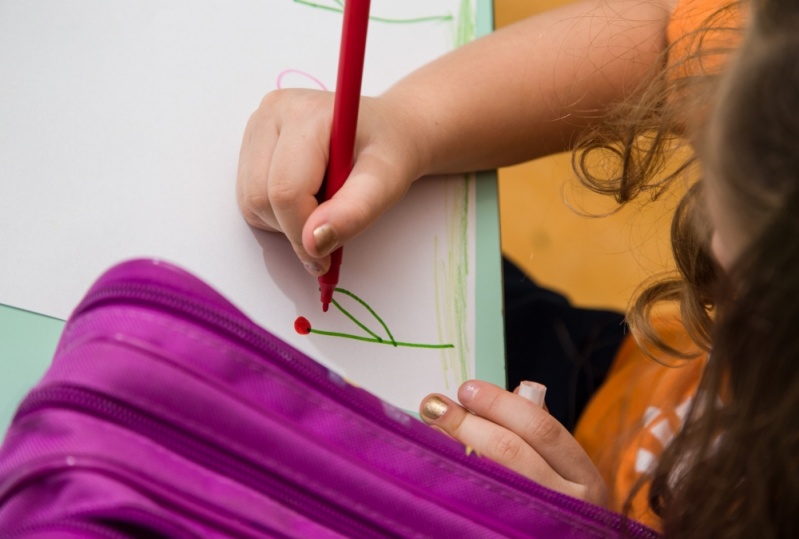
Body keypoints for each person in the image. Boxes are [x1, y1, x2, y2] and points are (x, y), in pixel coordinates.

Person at [237, 0, 798, 536]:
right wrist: (410, 123)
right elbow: (666, 40)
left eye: (747, 262)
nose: (714, 249)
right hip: (625, 379)